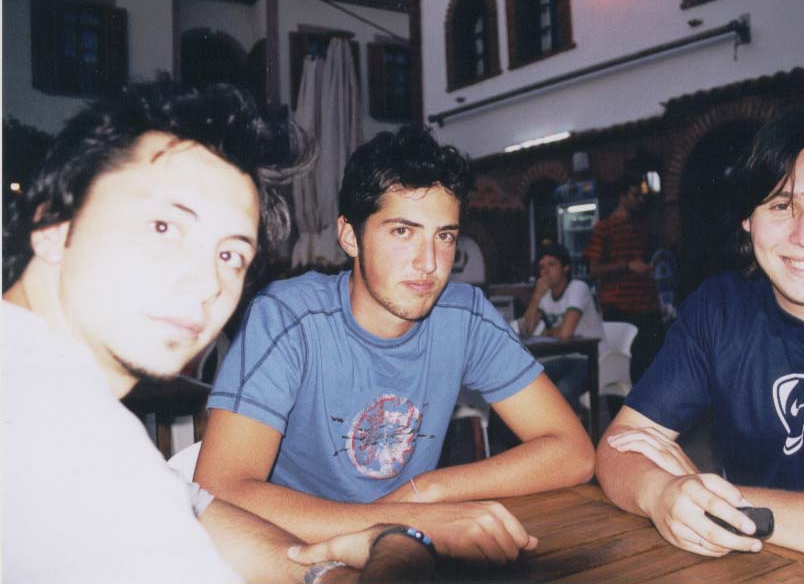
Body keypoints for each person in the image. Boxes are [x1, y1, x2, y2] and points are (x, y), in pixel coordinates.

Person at [2, 81, 437, 583]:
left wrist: (332, 570)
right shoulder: (36, 423)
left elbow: (192, 511)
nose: (209, 282)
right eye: (164, 227)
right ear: (54, 225)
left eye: (230, 254)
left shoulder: (74, 415)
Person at [195, 125, 595, 565]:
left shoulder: (464, 316)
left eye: (444, 236)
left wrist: (430, 490)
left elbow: (573, 452)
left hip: (406, 553)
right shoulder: (288, 316)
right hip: (293, 557)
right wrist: (403, 521)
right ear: (350, 236)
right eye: (403, 231)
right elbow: (218, 492)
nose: (429, 263)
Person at [595, 105, 804, 565]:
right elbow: (618, 447)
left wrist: (720, 502)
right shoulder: (719, 310)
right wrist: (662, 493)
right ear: (748, 220)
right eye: (781, 206)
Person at [583, 173, 662, 381]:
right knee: (625, 366)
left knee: (649, 364)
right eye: (635, 195)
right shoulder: (604, 228)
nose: (640, 200)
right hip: (619, 306)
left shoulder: (642, 226)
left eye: (641, 195)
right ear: (622, 197)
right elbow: (594, 270)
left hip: (646, 305)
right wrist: (627, 266)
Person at [518, 241, 605, 410]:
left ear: (566, 268)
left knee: (563, 390)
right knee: (530, 382)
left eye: (551, 265)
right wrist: (536, 297)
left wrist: (548, 332)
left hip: (593, 359)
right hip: (566, 358)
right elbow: (526, 330)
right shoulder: (545, 294)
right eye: (542, 267)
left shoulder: (578, 287)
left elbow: (565, 332)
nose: (546, 272)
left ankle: (579, 422)